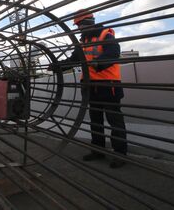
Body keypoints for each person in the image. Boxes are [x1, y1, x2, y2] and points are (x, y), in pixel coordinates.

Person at [49, 9, 127, 168]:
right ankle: (98, 150)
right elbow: (73, 60)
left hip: (108, 85)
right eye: (77, 26)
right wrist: (57, 67)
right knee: (95, 121)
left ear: (88, 22)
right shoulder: (82, 42)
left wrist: (98, 62)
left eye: (80, 25)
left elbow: (113, 52)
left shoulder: (106, 34)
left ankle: (120, 153)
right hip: (90, 86)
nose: (78, 28)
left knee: (115, 121)